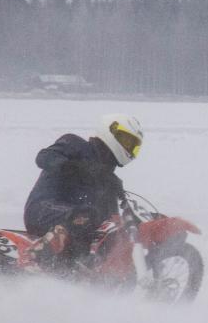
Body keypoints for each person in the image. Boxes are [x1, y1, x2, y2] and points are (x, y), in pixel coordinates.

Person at [22, 114, 144, 271]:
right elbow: (43, 157)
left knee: (111, 229)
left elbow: (110, 219)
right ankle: (35, 257)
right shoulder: (75, 144)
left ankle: (85, 272)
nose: (128, 148)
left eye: (133, 145)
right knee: (86, 215)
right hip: (42, 209)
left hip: (77, 222)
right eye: (127, 141)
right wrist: (72, 166)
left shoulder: (108, 178)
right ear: (111, 131)